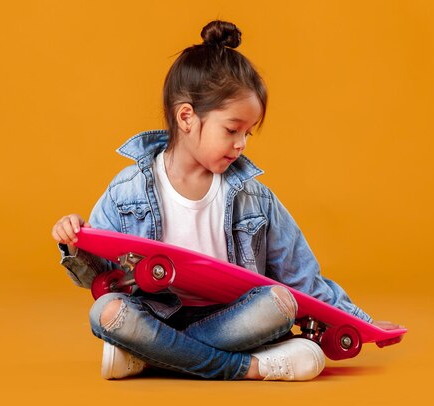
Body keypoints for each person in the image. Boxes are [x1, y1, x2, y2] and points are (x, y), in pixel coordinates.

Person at [52, 20, 402, 381]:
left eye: (248, 133)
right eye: (232, 129)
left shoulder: (254, 197)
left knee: (281, 304)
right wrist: (74, 242)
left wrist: (361, 322)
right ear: (187, 117)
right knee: (107, 312)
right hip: (157, 315)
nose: (241, 144)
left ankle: (153, 356)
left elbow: (302, 276)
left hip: (233, 319)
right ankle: (250, 367)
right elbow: (99, 275)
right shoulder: (129, 190)